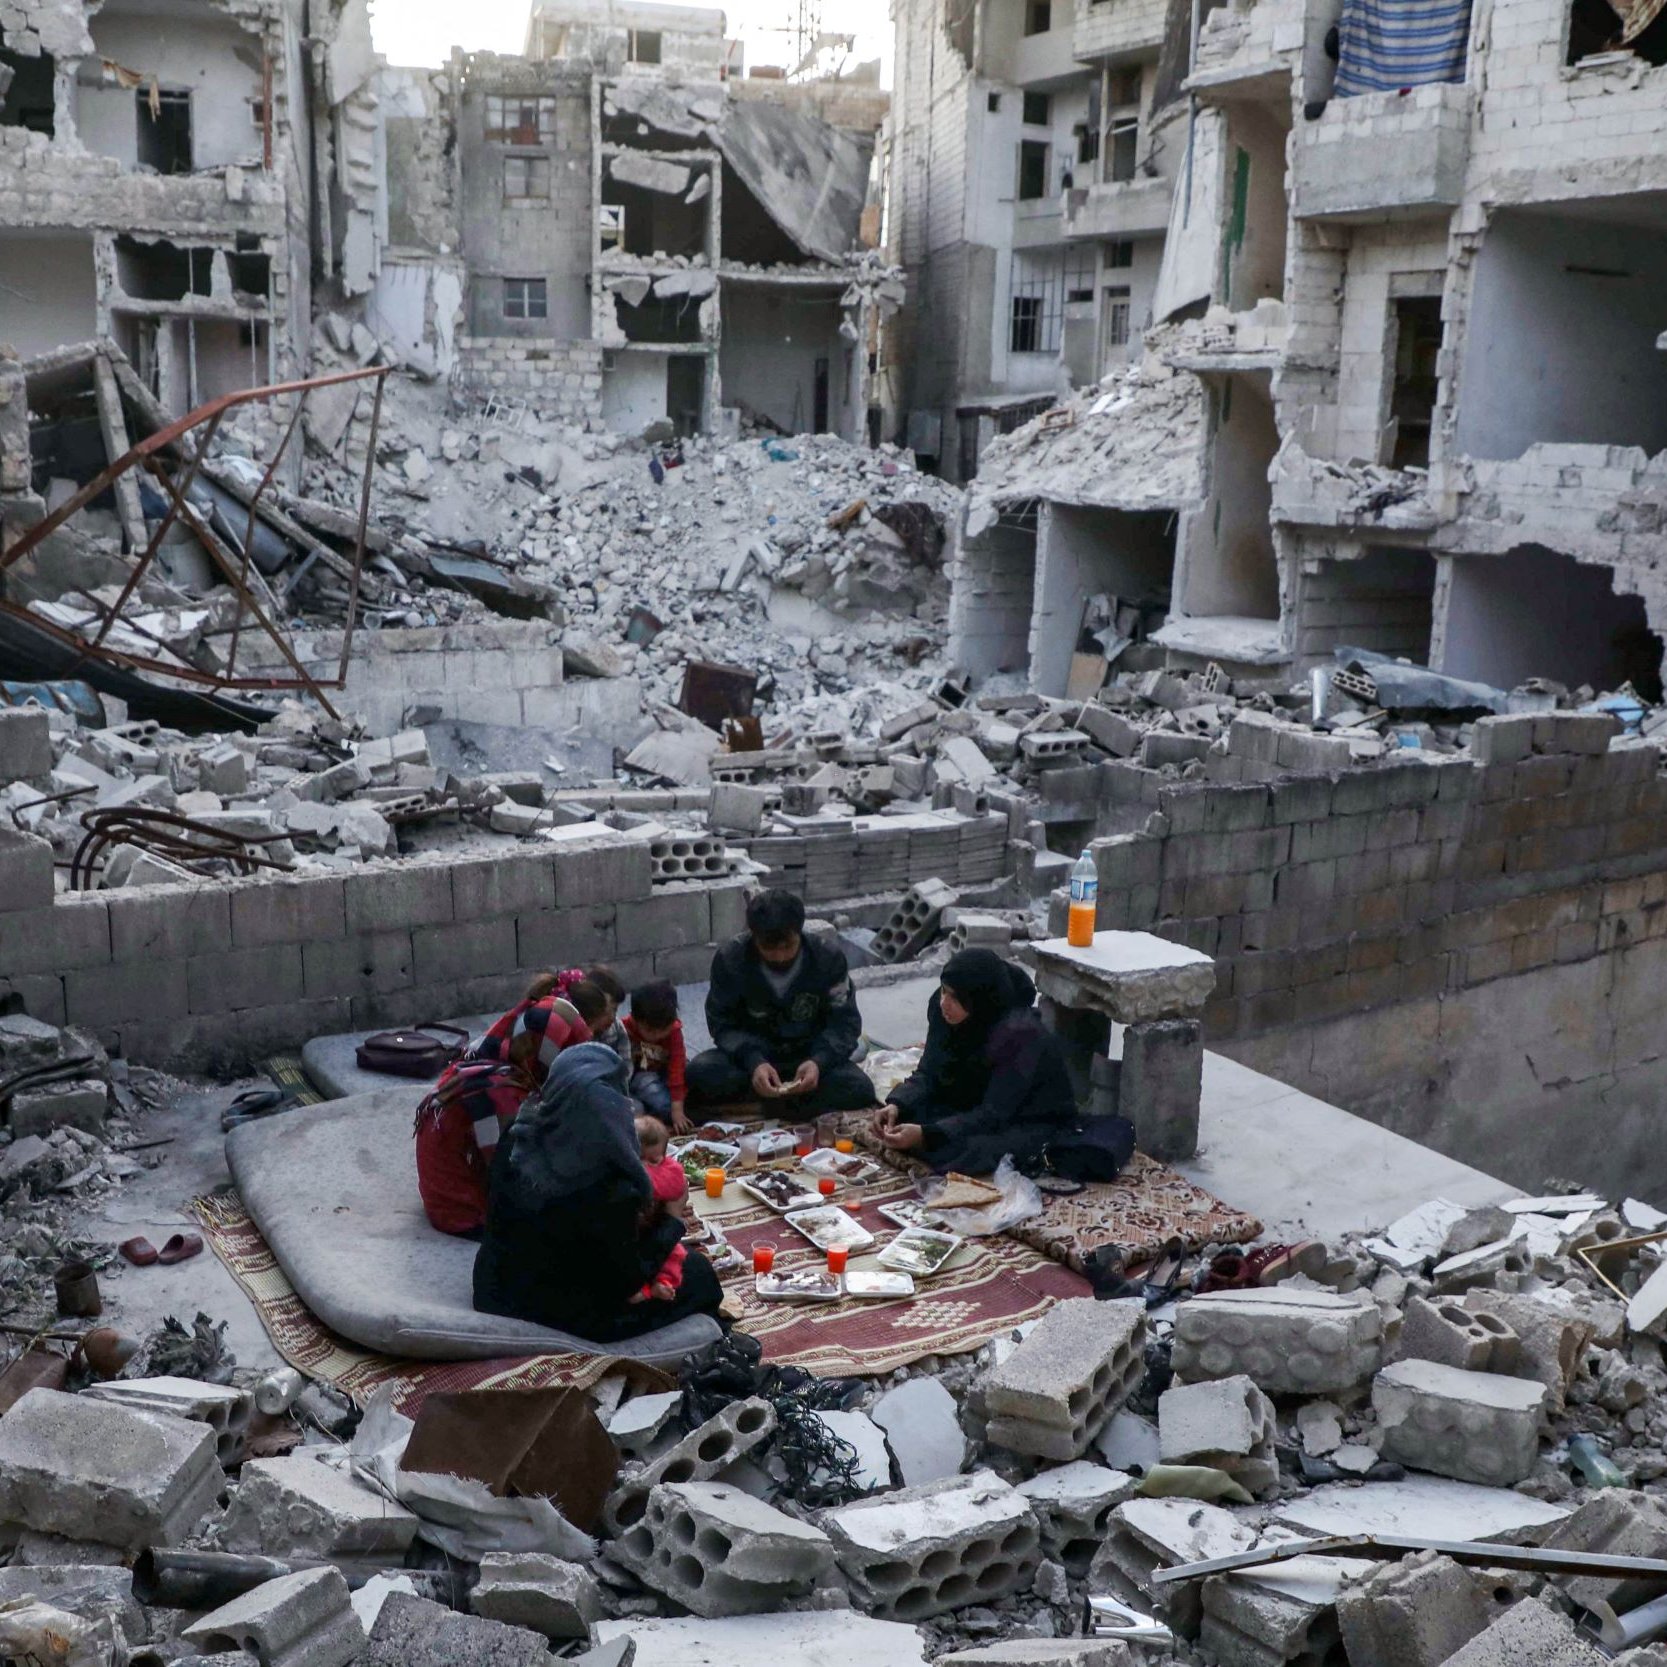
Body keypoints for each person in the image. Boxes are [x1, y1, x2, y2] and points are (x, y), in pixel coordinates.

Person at [473, 1041, 725, 1341]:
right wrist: (672, 1218)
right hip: (558, 1310)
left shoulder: (519, 1135)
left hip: (494, 1286)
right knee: (699, 1275)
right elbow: (627, 1281)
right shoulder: (609, 1185)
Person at [873, 947, 1076, 1175]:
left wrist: (927, 1135)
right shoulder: (943, 1010)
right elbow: (929, 1072)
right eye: (943, 991)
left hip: (1022, 1117)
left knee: (973, 1151)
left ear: (978, 999)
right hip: (971, 1103)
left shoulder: (1019, 1033)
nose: (944, 1003)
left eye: (955, 998)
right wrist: (898, 1104)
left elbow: (994, 1113)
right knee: (907, 1116)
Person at [688, 888, 876, 1113]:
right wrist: (754, 1061)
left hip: (808, 1053)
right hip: (756, 1057)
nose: (779, 956)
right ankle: (791, 1105)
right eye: (768, 947)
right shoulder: (730, 959)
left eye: (787, 946)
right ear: (754, 936)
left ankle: (758, 1106)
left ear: (799, 933)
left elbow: (845, 1022)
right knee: (699, 1072)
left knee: (859, 1089)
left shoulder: (827, 958)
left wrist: (819, 1061)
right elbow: (722, 1024)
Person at [414, 1000, 586, 1237]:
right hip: (464, 1213)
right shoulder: (498, 1093)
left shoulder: (497, 1060)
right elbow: (511, 1173)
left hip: (448, 1193)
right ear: (550, 1051)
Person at [624, 980, 689, 1132]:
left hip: (664, 1076)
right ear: (635, 1019)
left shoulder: (673, 1031)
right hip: (637, 1079)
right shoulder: (625, 1030)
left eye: (663, 1030)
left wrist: (677, 1108)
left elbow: (677, 1067)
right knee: (643, 1101)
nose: (657, 1036)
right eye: (650, 1031)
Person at [635, 1112, 688, 1301]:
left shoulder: (669, 1169)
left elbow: (676, 1185)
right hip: (632, 1238)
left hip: (654, 1227)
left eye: (653, 1161)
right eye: (640, 1159)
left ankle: (662, 1285)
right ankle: (641, 1292)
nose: (646, 1167)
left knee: (675, 1254)